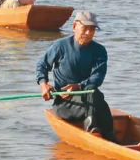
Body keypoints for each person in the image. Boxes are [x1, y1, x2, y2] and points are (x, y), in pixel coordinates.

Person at [37, 10, 115, 142]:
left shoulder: (99, 51)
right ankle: (95, 132)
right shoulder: (59, 46)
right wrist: (43, 84)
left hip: (88, 96)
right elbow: (42, 65)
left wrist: (79, 86)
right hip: (65, 102)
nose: (88, 33)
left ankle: (108, 137)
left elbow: (98, 76)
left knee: (94, 92)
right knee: (98, 103)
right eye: (85, 28)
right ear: (74, 27)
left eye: (92, 30)